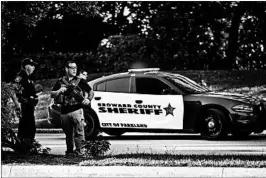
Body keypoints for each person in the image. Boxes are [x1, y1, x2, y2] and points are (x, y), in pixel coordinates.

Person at [50, 60, 94, 156]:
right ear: (66, 69)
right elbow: (52, 94)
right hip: (64, 111)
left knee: (79, 133)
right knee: (68, 134)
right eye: (72, 68)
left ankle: (80, 153)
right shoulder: (60, 81)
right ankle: (69, 152)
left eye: (75, 68)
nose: (74, 70)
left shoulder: (80, 81)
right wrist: (60, 91)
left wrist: (89, 99)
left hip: (76, 110)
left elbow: (91, 91)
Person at [13, 58, 39, 152]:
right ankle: (23, 148)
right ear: (26, 66)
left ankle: (27, 147)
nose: (33, 67)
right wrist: (17, 104)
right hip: (24, 106)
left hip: (29, 107)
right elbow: (14, 90)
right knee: (26, 127)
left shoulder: (28, 78)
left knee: (30, 127)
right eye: (31, 65)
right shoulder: (21, 76)